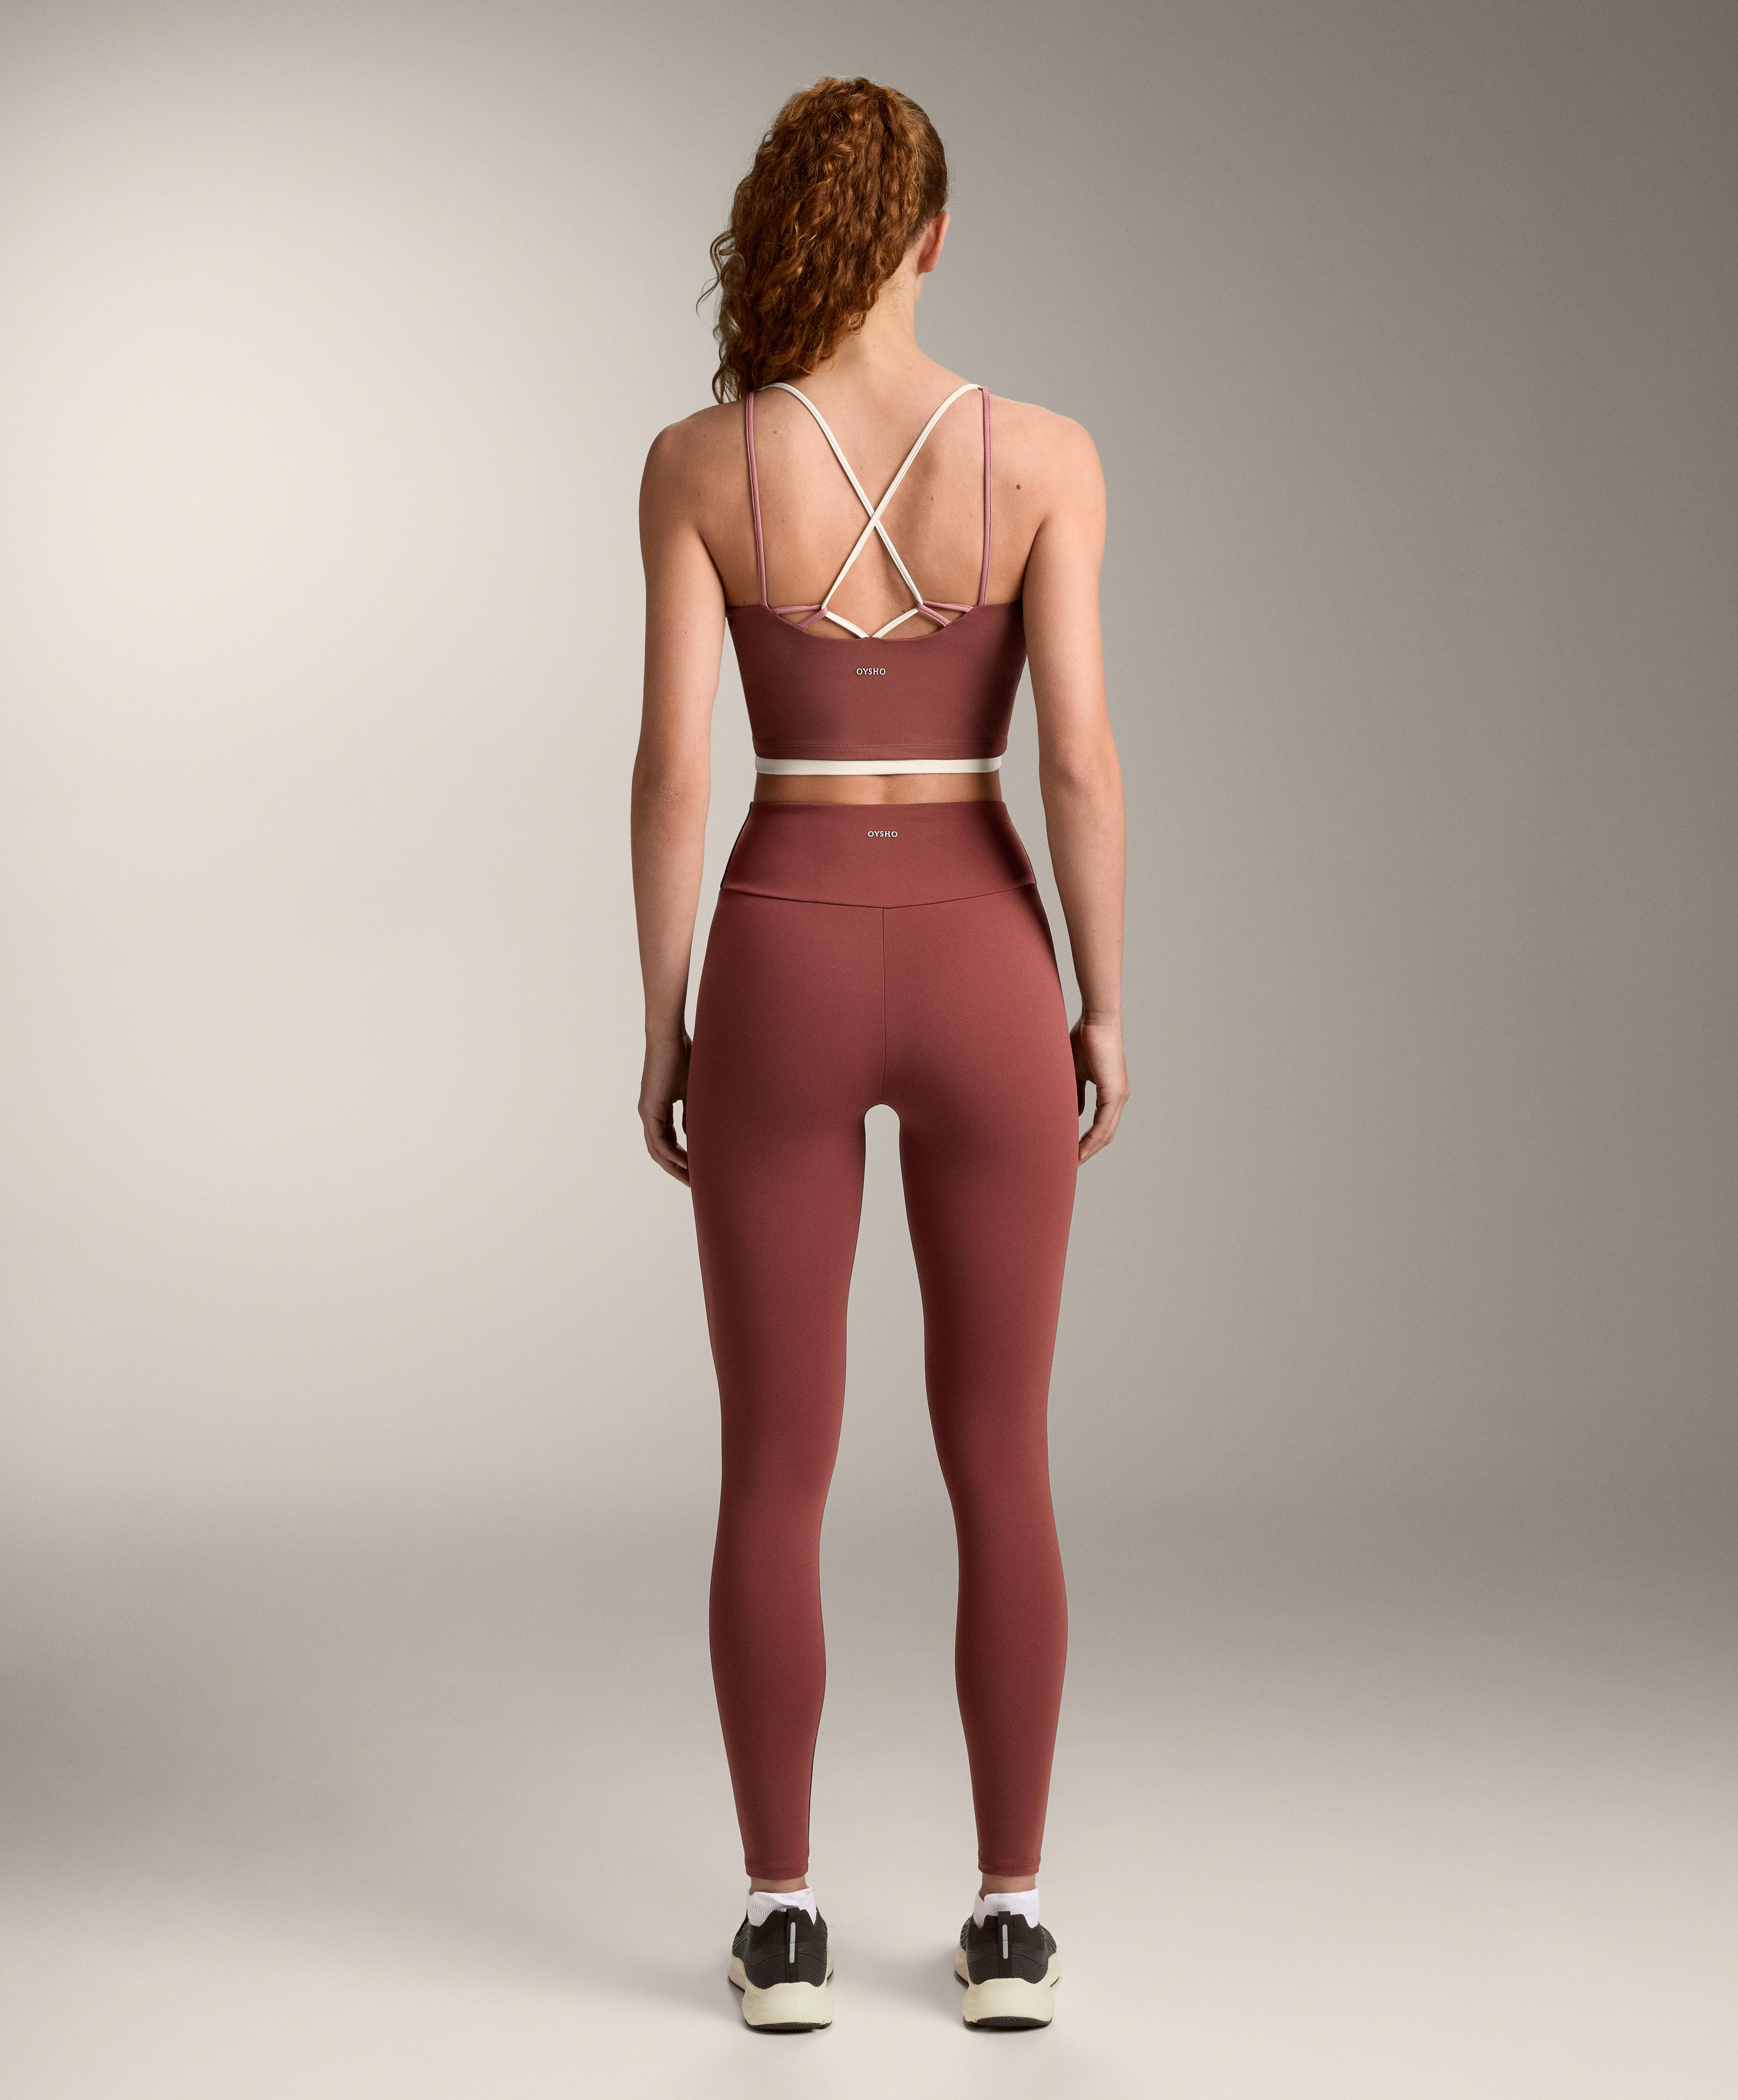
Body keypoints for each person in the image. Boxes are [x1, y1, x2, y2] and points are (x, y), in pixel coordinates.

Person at [632, 75, 1127, 2033]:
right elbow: (1076, 761)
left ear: (790, 225)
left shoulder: (697, 463)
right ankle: (1011, 1924)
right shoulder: (1047, 456)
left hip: (782, 940)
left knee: (776, 1457)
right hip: (985, 944)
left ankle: (782, 1924)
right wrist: (1104, 998)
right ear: (932, 235)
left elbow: (676, 769)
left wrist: (663, 1009)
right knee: (1003, 1446)